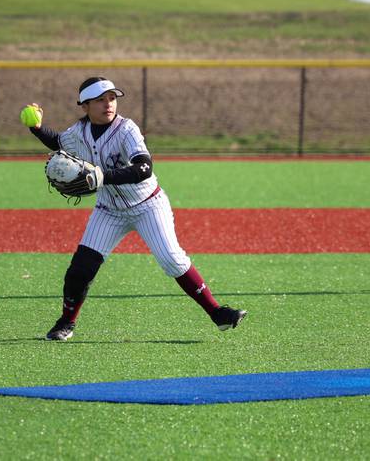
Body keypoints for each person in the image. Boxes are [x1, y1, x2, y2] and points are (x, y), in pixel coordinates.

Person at [22, 76, 246, 341]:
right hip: (109, 210)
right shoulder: (78, 133)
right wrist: (36, 128)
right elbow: (59, 143)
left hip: (148, 204)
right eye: (100, 100)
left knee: (172, 260)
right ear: (84, 106)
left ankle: (217, 313)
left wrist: (104, 176)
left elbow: (144, 167)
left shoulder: (127, 129)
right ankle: (66, 323)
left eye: (112, 98)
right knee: (81, 268)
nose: (108, 104)